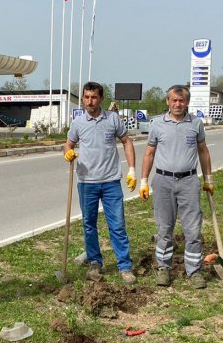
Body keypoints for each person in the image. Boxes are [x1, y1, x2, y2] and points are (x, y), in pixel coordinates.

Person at [139, 85, 214, 288]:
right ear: (168, 102)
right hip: (163, 182)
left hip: (189, 182)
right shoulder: (157, 124)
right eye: (174, 100)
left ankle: (194, 271)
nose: (177, 104)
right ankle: (163, 268)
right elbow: (149, 154)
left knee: (193, 229)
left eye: (181, 101)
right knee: (164, 228)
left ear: (187, 102)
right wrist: (144, 180)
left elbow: (203, 152)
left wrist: (208, 178)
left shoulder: (196, 124)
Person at [64, 82, 138, 285]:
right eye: (86, 97)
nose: (90, 101)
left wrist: (131, 169)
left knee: (117, 225)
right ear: (82, 99)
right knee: (89, 225)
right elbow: (68, 144)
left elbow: (127, 142)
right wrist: (68, 153)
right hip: (87, 182)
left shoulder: (113, 119)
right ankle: (95, 262)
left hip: (111, 181)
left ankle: (124, 266)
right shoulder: (78, 122)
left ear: (101, 99)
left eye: (94, 97)